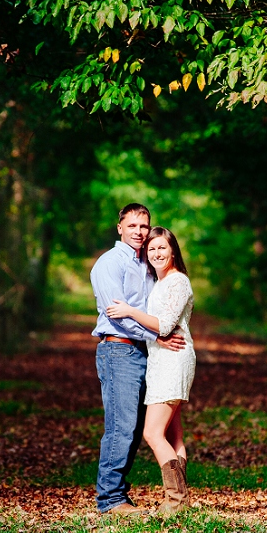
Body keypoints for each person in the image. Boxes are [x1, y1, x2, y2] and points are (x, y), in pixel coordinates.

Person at [90, 204, 185, 516]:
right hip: (118, 350)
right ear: (120, 228)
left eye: (144, 226)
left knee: (137, 428)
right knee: (122, 426)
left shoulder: (146, 263)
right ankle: (110, 500)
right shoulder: (109, 263)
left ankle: (121, 496)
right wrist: (155, 335)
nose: (139, 232)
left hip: (144, 352)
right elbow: (115, 314)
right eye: (132, 226)